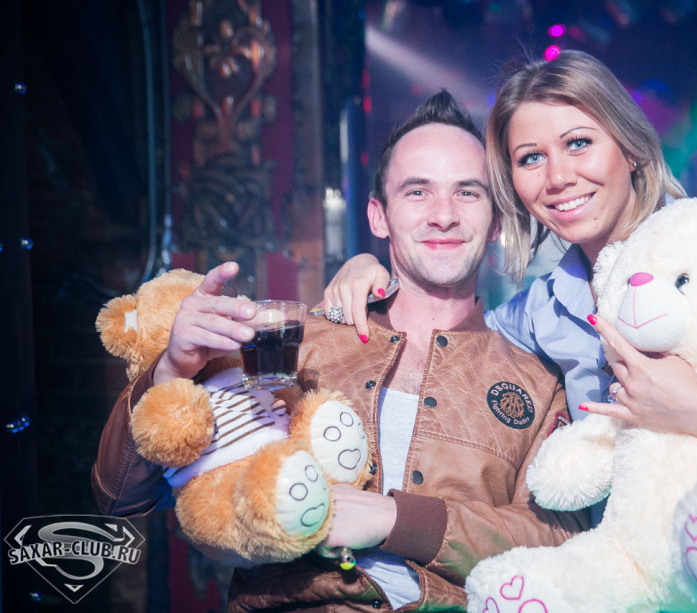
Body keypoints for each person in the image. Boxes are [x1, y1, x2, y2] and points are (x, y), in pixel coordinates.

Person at [321, 50, 697, 610]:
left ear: (630, 148)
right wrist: (372, 271)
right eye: (530, 158)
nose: (558, 177)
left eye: (578, 143)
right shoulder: (543, 311)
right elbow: (447, 324)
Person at [91, 90, 589, 611]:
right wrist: (172, 370)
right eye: (417, 192)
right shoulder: (293, 342)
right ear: (379, 216)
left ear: (498, 222)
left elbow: (560, 542)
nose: (443, 215)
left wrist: (398, 519)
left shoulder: (538, 382)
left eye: (468, 193)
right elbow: (120, 498)